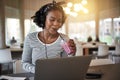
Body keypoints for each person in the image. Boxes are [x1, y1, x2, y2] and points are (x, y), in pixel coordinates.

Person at [22, 1, 76, 73]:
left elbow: (66, 63)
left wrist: (72, 54)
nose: (56, 24)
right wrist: (37, 70)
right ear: (43, 19)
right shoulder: (30, 38)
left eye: (59, 20)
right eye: (52, 20)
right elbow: (25, 63)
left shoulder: (64, 39)